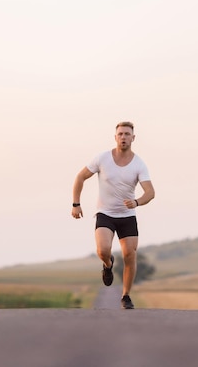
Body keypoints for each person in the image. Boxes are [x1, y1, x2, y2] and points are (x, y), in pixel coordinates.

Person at [71, 121, 155, 309]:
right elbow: (80, 177)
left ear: (133, 138)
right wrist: (76, 204)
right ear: (115, 137)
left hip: (127, 216)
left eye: (127, 134)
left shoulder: (139, 164)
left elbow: (150, 192)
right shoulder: (102, 158)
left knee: (129, 255)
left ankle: (126, 296)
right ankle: (108, 265)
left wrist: (137, 202)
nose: (123, 137)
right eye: (120, 134)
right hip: (105, 213)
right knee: (102, 250)